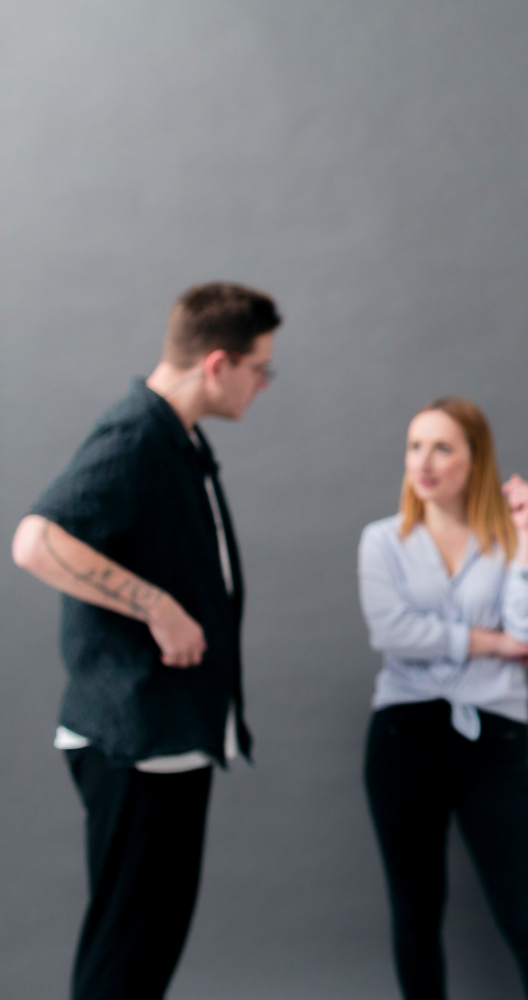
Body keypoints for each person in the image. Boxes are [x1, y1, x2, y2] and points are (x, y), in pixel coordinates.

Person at [10, 282, 281, 1000]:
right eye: (261, 368)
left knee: (145, 948)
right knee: (126, 957)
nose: (263, 385)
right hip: (135, 739)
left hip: (164, 737)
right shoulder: (136, 435)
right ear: (218, 363)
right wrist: (156, 604)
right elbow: (35, 542)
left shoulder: (175, 439)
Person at [357, 397, 528, 1000]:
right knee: (416, 917)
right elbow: (392, 632)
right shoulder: (382, 541)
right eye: (415, 446)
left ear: (475, 459)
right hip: (404, 742)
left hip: (494, 744)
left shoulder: (508, 540)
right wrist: (493, 642)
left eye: (442, 447)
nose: (423, 462)